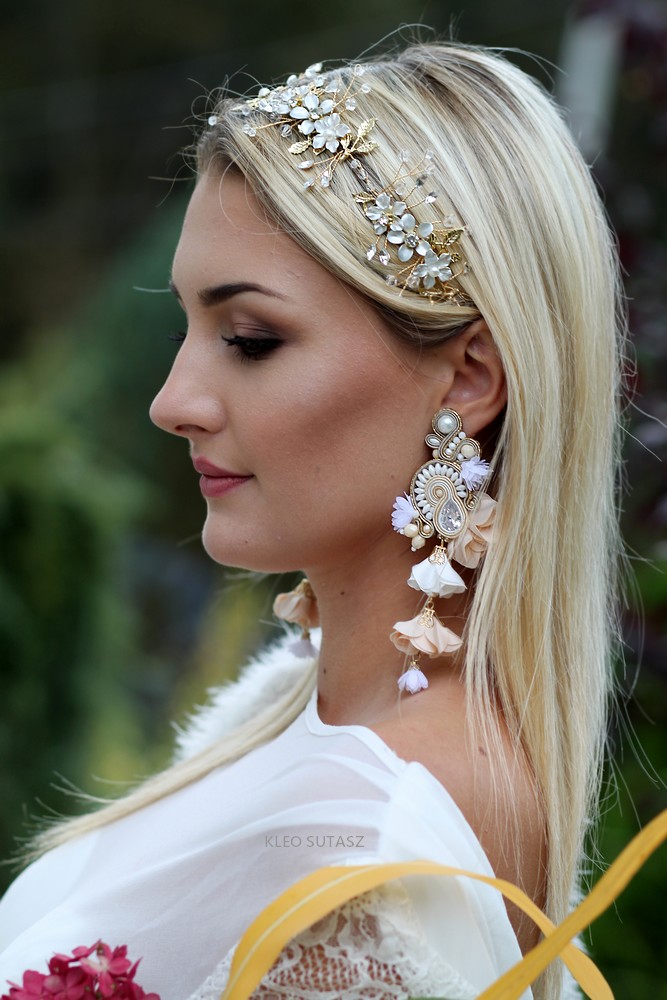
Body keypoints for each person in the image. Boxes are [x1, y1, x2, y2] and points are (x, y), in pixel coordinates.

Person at [0, 40, 623, 1000]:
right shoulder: (296, 713)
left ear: (466, 379)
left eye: (250, 339)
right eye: (187, 327)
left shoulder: (363, 854)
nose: (172, 402)